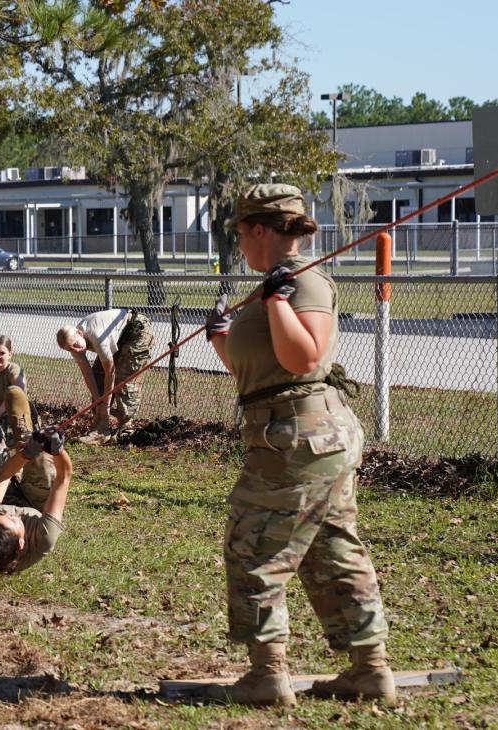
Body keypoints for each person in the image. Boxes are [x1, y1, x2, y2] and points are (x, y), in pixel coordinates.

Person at [202, 183, 393, 707]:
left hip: (298, 438)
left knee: (254, 546)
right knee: (331, 548)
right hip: (297, 433)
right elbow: (260, 370)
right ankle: (370, 670)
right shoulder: (275, 284)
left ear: (260, 229)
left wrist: (281, 300)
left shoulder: (304, 283)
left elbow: (304, 360)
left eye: (242, 231)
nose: (239, 240)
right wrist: (222, 337)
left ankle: (268, 674)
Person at [0, 427, 71, 575]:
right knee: (43, 456)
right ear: (21, 544)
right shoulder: (44, 537)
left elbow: (4, 475)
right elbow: (63, 478)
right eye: (13, 521)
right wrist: (58, 450)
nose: (10, 513)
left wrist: (27, 453)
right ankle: (30, 430)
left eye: (3, 515)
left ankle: (15, 438)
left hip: (8, 496)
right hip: (37, 504)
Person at [55, 308, 154, 435]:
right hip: (119, 335)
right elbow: (88, 374)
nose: (76, 349)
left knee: (123, 378)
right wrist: (98, 402)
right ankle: (101, 425)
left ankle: (126, 427)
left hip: (137, 329)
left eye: (75, 344)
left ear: (80, 333)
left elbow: (110, 372)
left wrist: (105, 406)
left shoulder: (96, 336)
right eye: (70, 349)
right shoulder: (73, 345)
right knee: (98, 377)